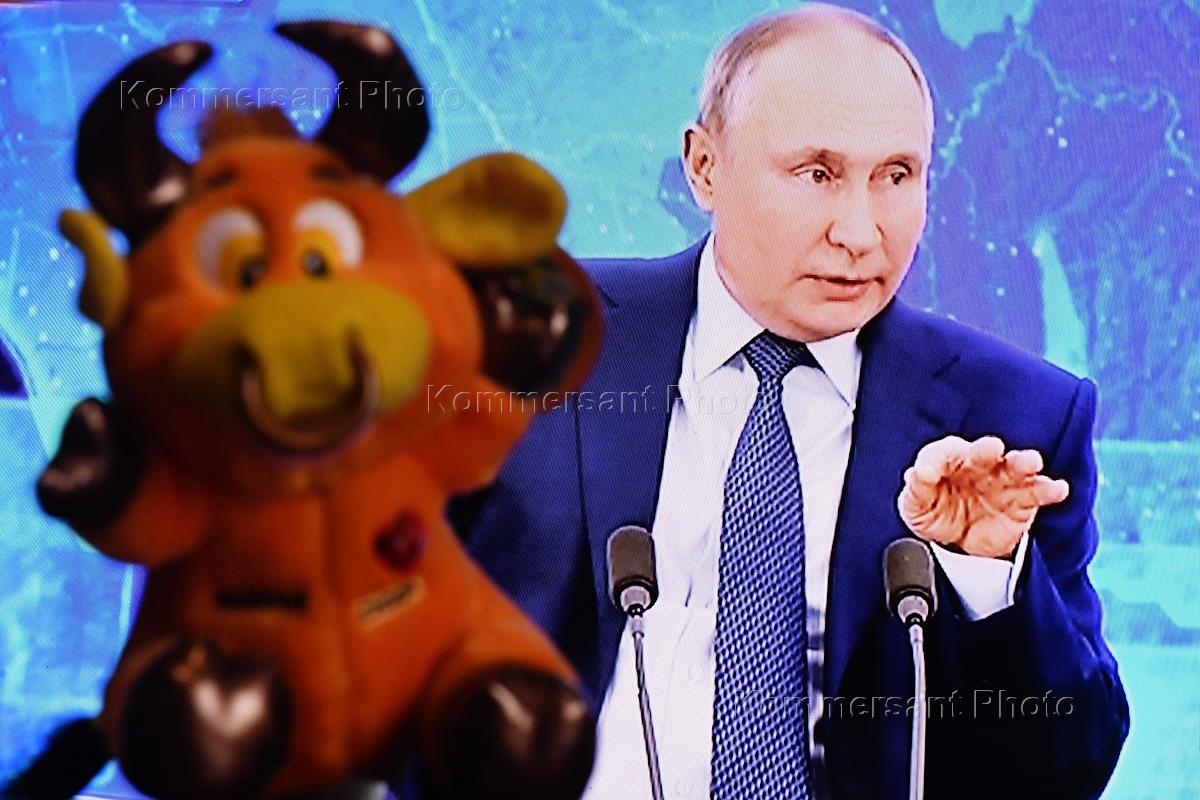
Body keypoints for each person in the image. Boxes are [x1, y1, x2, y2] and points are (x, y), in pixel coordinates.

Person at [400, 4, 1129, 799]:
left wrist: (987, 574)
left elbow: (1068, 768)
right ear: (704, 168)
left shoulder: (1013, 421)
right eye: (817, 174)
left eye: (897, 176)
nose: (860, 232)